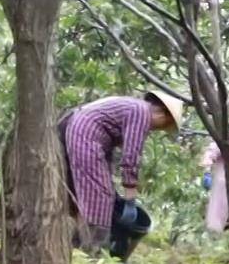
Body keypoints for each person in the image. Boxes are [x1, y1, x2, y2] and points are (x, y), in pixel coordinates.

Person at [57, 91, 183, 253]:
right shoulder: (141, 112)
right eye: (162, 125)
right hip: (84, 134)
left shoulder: (132, 107)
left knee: (91, 193)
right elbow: (131, 155)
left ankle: (75, 244)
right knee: (99, 197)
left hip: (80, 131)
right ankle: (90, 249)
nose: (156, 129)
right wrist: (130, 195)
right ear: (161, 113)